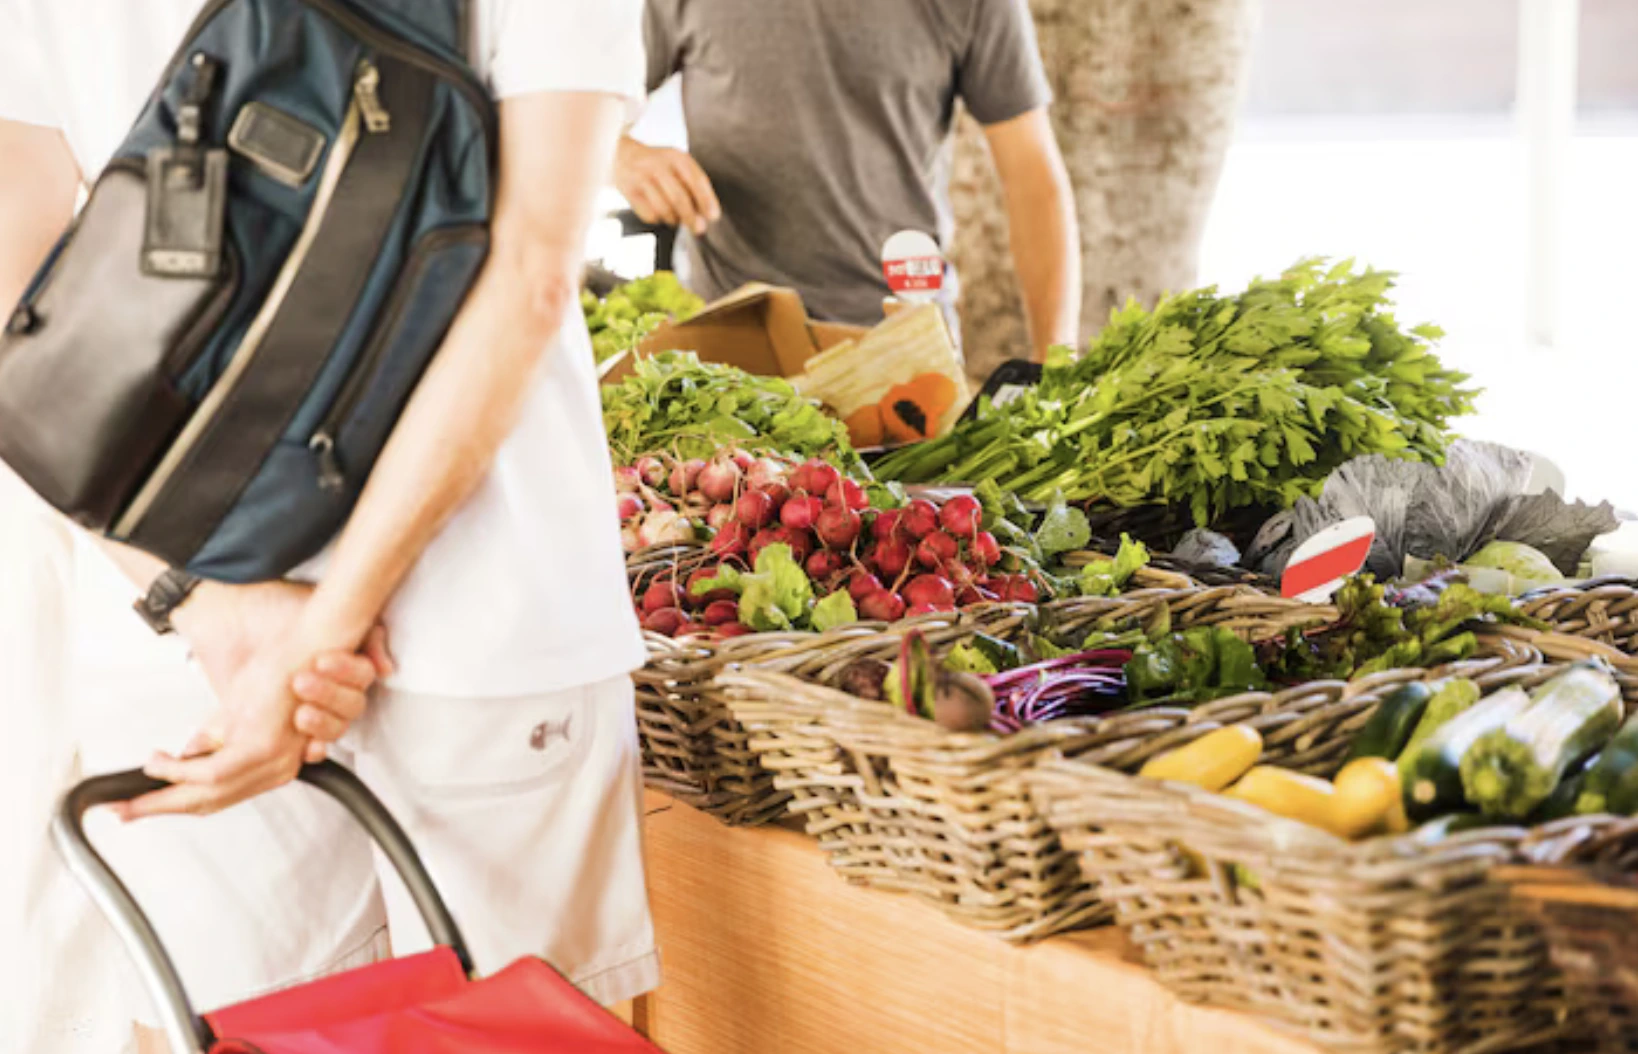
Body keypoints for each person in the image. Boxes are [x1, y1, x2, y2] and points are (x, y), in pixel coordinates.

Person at [0, 1, 658, 1050]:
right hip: (485, 616)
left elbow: (16, 327)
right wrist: (325, 630)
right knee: (529, 1034)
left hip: (196, 641)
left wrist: (207, 607)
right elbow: (531, 273)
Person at [616, 0, 1082, 362]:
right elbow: (577, 113)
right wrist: (622, 156)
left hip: (902, 351)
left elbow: (1032, 175)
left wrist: (1054, 361)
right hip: (729, 344)